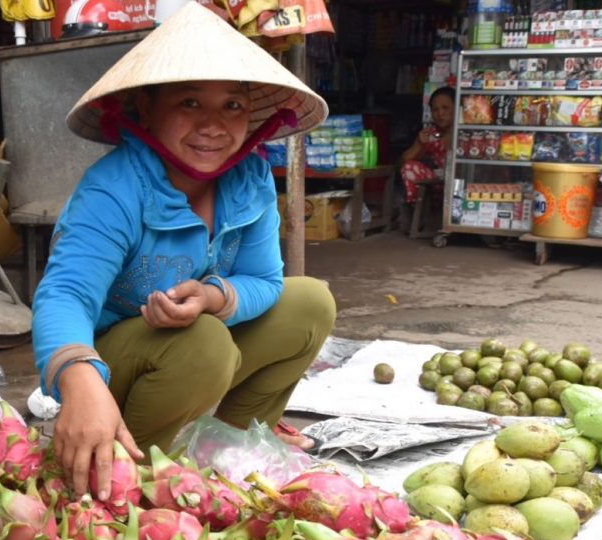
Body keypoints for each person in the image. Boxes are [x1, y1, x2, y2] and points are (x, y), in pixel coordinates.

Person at [31, 2, 336, 500]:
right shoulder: (115, 187)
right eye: (190, 103)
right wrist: (79, 379)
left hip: (192, 347)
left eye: (232, 105)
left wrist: (213, 297)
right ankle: (132, 472)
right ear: (145, 109)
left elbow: (265, 282)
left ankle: (225, 451)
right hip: (117, 366)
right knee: (204, 343)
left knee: (310, 302)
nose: (214, 125)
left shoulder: (249, 178)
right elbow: (65, 295)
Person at [399, 86, 455, 204]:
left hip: (462, 187)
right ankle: (419, 211)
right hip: (437, 187)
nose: (440, 113)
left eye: (445, 108)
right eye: (435, 110)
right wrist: (419, 144)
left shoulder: (468, 133)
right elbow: (404, 161)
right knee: (409, 166)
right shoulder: (430, 135)